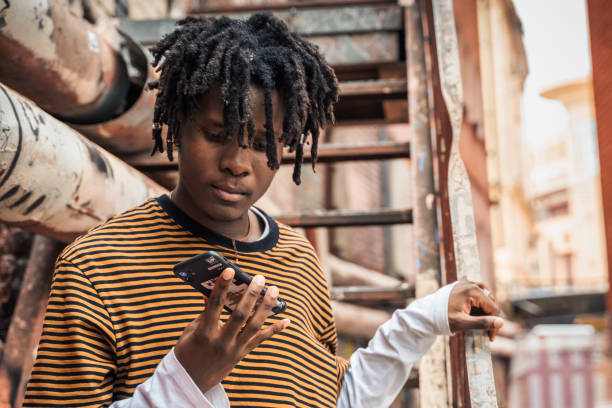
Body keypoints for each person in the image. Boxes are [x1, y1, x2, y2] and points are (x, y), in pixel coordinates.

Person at [22, 14, 503, 408]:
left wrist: (426, 317)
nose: (236, 163)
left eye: (260, 145)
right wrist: (183, 381)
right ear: (175, 125)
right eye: (215, 135)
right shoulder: (97, 264)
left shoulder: (298, 258)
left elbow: (335, 400)